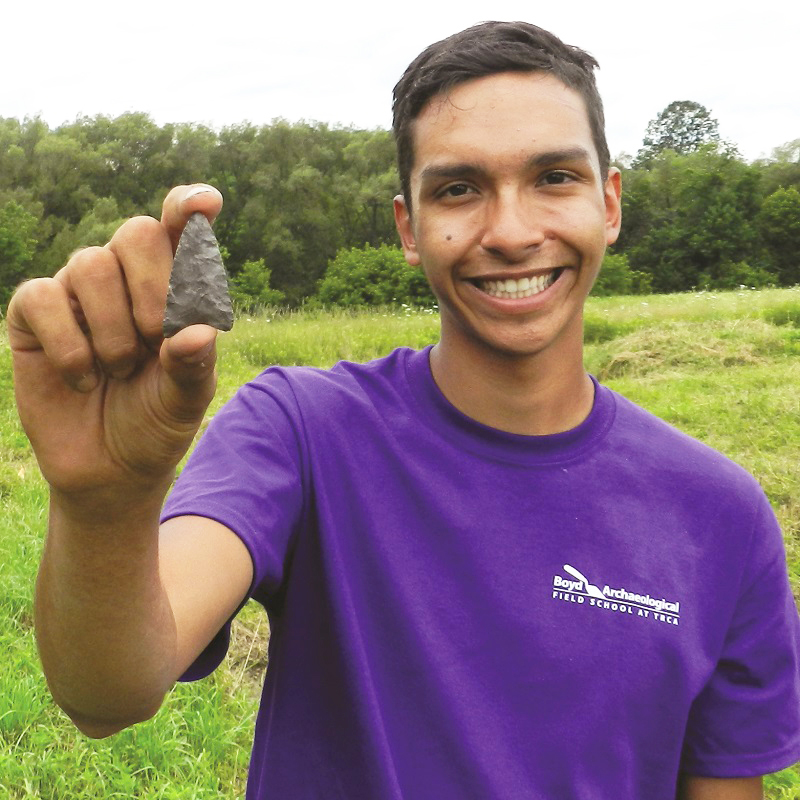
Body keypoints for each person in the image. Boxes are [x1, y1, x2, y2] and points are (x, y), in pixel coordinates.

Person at [8, 20, 800, 800]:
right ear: (409, 228)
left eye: (554, 177)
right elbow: (109, 692)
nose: (512, 232)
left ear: (611, 202)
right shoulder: (301, 431)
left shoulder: (721, 514)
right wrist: (105, 505)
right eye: (458, 188)